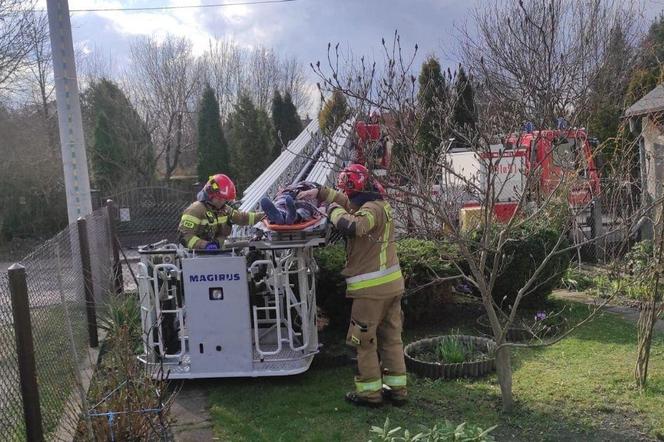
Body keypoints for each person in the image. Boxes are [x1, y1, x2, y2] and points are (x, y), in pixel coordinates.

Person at [300, 164, 407, 408]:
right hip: (392, 286)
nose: (346, 197)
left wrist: (332, 209)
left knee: (364, 341)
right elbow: (349, 204)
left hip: (371, 292)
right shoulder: (379, 204)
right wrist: (319, 192)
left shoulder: (369, 210)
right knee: (391, 339)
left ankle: (370, 394)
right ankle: (397, 389)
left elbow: (353, 225)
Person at [178, 174, 265, 250]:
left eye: (224, 199)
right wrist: (204, 245)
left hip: (218, 253)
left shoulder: (224, 210)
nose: (222, 202)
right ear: (210, 194)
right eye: (219, 198)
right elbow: (185, 236)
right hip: (196, 255)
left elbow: (242, 218)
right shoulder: (195, 210)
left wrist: (263, 216)